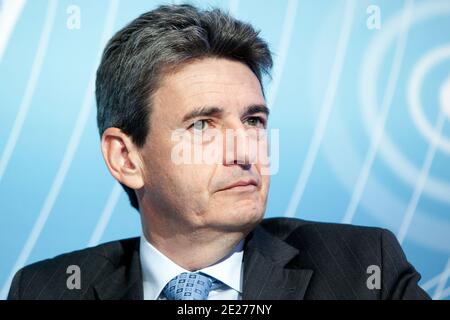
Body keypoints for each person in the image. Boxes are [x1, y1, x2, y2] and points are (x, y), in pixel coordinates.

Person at [8, 4, 430, 300]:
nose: (244, 149)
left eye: (253, 121)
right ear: (125, 157)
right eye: (202, 125)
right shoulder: (48, 288)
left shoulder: (362, 271)